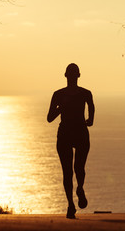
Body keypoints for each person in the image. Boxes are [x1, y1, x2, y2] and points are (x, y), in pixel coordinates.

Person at [47, 63, 95, 219]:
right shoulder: (77, 94)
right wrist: (90, 120)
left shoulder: (63, 94)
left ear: (66, 75)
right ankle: (72, 201)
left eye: (73, 75)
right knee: (74, 169)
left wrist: (90, 119)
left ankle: (74, 199)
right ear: (75, 75)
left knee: (72, 170)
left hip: (72, 133)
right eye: (72, 75)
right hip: (74, 132)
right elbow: (49, 118)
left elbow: (49, 118)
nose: (73, 77)